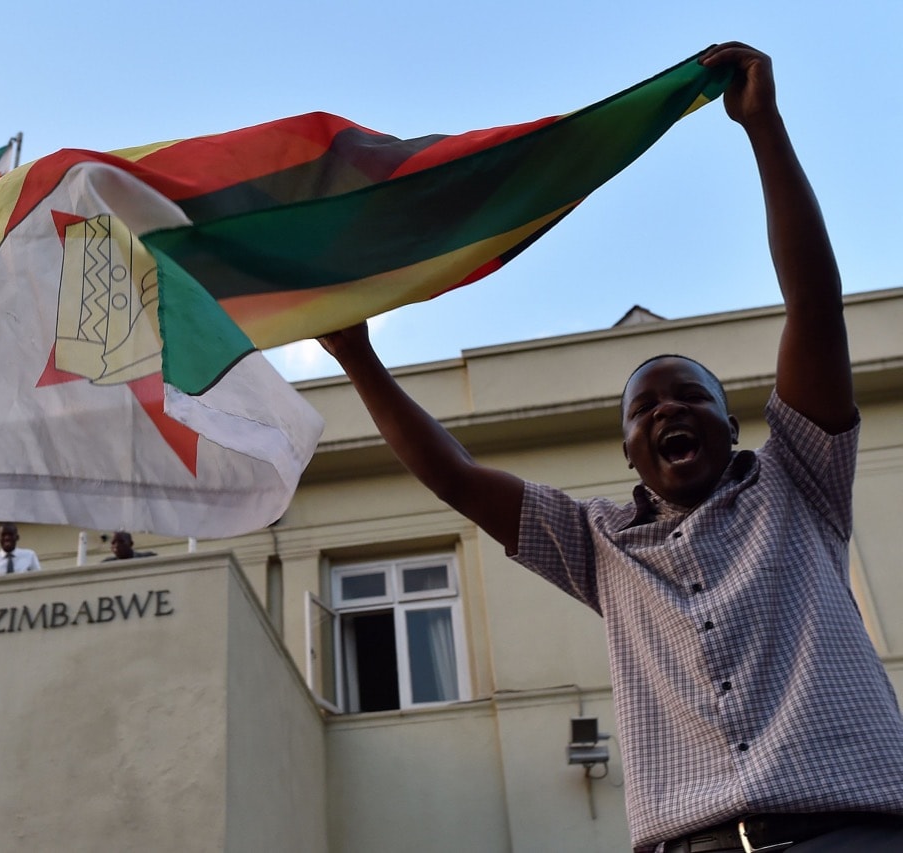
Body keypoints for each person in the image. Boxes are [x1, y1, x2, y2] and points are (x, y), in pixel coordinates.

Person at [318, 43, 903, 853]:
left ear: (733, 426)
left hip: (852, 831)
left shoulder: (801, 480)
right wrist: (357, 357)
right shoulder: (597, 545)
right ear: (631, 452)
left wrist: (762, 128)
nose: (669, 409)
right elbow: (455, 477)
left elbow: (813, 304)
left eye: (692, 395)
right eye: (645, 407)